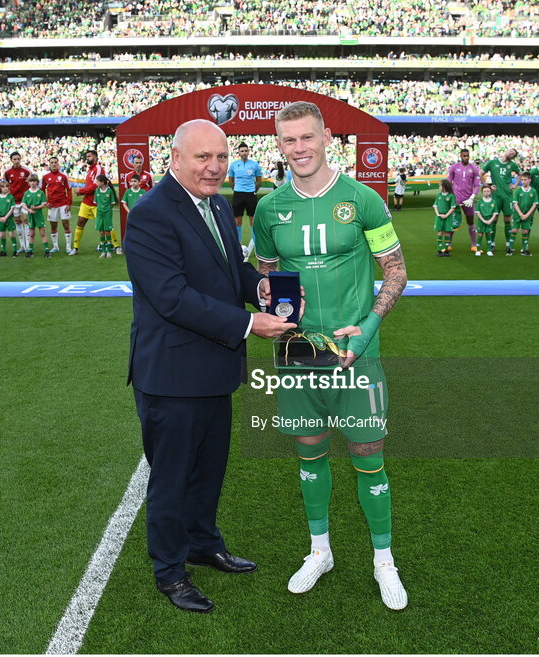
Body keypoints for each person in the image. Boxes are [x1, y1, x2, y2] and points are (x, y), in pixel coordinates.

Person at [125, 119, 290, 614]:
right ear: (174, 158)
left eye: (220, 157)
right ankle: (170, 573)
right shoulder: (151, 213)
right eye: (203, 157)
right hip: (173, 376)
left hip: (213, 369)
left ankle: (202, 542)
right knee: (173, 478)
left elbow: (227, 267)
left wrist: (254, 287)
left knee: (209, 469)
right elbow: (173, 298)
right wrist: (247, 324)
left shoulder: (216, 203)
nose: (214, 167)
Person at [253, 101, 410, 611]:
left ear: (326, 138)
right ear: (279, 145)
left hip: (355, 356)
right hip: (298, 357)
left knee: (368, 454)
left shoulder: (362, 199)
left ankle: (383, 560)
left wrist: (368, 326)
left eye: (306, 138)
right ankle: (320, 550)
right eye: (288, 141)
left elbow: (396, 271)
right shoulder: (268, 208)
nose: (299, 148)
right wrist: (267, 309)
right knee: (308, 448)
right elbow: (267, 279)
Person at [227, 142, 264, 259]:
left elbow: (259, 181)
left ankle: (258, 248)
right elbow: (231, 181)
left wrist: (253, 190)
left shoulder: (254, 165)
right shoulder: (233, 165)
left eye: (246, 151)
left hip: (250, 194)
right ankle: (237, 247)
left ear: (248, 152)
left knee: (253, 221)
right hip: (238, 194)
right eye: (242, 151)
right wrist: (237, 189)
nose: (244, 153)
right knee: (237, 221)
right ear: (238, 152)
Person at [482, 148, 520, 255]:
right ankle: (492, 243)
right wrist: (487, 186)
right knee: (494, 219)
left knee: (507, 219)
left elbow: (521, 174)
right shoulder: (492, 162)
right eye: (511, 151)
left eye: (513, 154)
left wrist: (515, 184)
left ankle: (508, 244)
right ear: (507, 151)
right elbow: (481, 173)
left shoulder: (512, 165)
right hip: (496, 195)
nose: (511, 154)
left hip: (508, 196)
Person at [72, 149, 106, 256]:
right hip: (87, 201)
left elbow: (96, 185)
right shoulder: (90, 170)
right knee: (80, 223)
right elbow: (89, 186)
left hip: (97, 202)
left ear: (95, 157)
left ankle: (111, 245)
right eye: (86, 157)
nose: (87, 158)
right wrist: (82, 192)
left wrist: (80, 191)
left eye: (89, 156)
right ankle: (75, 248)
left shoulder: (98, 168)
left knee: (104, 225)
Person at [446, 148, 481, 252]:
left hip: (468, 200)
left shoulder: (474, 169)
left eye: (468, 156)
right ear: (460, 156)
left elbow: (477, 185)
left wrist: (472, 197)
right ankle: (448, 244)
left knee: (470, 221)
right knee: (453, 222)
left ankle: (473, 245)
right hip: (456, 199)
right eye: (464, 156)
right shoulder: (454, 167)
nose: (466, 157)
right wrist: (449, 196)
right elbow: (448, 182)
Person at [119, 153, 153, 252]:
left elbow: (153, 189)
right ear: (132, 164)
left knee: (146, 228)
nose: (138, 164)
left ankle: (147, 247)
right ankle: (130, 248)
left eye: (140, 163)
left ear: (142, 163)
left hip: (145, 208)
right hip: (133, 208)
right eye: (136, 163)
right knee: (132, 228)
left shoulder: (148, 175)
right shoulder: (128, 176)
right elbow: (128, 192)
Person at [3, 152, 34, 254]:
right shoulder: (7, 172)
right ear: (11, 160)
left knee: (25, 220)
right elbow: (4, 185)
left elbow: (34, 182)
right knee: (18, 222)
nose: (17, 161)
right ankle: (22, 246)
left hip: (25, 201)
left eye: (18, 159)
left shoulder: (26, 171)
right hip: (14, 201)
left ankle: (29, 245)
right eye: (14, 159)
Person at [41, 156, 72, 254]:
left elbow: (69, 189)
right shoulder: (45, 177)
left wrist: (69, 203)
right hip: (52, 205)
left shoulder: (63, 176)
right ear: (49, 164)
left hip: (63, 204)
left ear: (58, 164)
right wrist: (45, 202)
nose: (54, 164)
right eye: (52, 162)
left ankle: (68, 247)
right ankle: (55, 247)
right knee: (53, 226)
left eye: (55, 162)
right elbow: (42, 190)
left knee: (66, 224)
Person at [22, 174, 51, 258]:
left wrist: (36, 207)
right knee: (31, 234)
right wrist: (29, 210)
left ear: (37, 182)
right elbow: (23, 204)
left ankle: (46, 250)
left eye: (34, 181)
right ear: (28, 183)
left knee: (42, 233)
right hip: (30, 215)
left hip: (38, 215)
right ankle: (30, 251)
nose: (33, 183)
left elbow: (44, 204)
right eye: (31, 181)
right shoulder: (26, 193)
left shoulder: (40, 192)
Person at [511, 171, 538, 256]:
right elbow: (515, 203)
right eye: (522, 180)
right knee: (514, 230)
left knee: (525, 231)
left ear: (530, 180)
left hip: (527, 215)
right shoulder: (518, 191)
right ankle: (510, 248)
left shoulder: (533, 191)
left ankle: (524, 249)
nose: (523, 181)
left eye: (525, 180)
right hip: (517, 215)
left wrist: (526, 215)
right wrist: (521, 214)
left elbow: (535, 204)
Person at [0, 179, 19, 257]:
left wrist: (5, 217)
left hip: (9, 219)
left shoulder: (10, 197)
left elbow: (12, 208)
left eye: (7, 186)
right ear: (0, 188)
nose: (5, 188)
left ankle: (15, 251)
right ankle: (3, 251)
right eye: (3, 187)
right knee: (2, 235)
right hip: (0, 220)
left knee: (11, 235)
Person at [94, 174, 117, 259]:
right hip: (99, 214)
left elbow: (112, 203)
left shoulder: (109, 191)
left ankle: (109, 251)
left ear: (102, 182)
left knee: (107, 231)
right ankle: (103, 251)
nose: (96, 183)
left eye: (97, 181)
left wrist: (107, 210)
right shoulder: (97, 191)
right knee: (101, 232)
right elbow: (96, 202)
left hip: (107, 214)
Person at [433, 178, 457, 256]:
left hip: (448, 217)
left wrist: (446, 215)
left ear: (444, 186)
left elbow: (453, 207)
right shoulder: (439, 195)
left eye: (440, 186)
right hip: (439, 217)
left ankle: (446, 250)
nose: (439, 187)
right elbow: (435, 206)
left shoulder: (451, 196)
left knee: (447, 233)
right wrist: (438, 214)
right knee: (440, 232)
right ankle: (439, 250)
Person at [474, 183, 499, 256]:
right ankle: (478, 250)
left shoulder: (493, 202)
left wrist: (490, 220)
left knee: (488, 235)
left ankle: (489, 250)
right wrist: (483, 220)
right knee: (480, 234)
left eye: (488, 191)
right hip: (481, 221)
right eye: (484, 191)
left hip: (489, 221)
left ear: (490, 192)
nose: (486, 193)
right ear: (482, 192)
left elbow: (495, 213)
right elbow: (478, 213)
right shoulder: (480, 202)